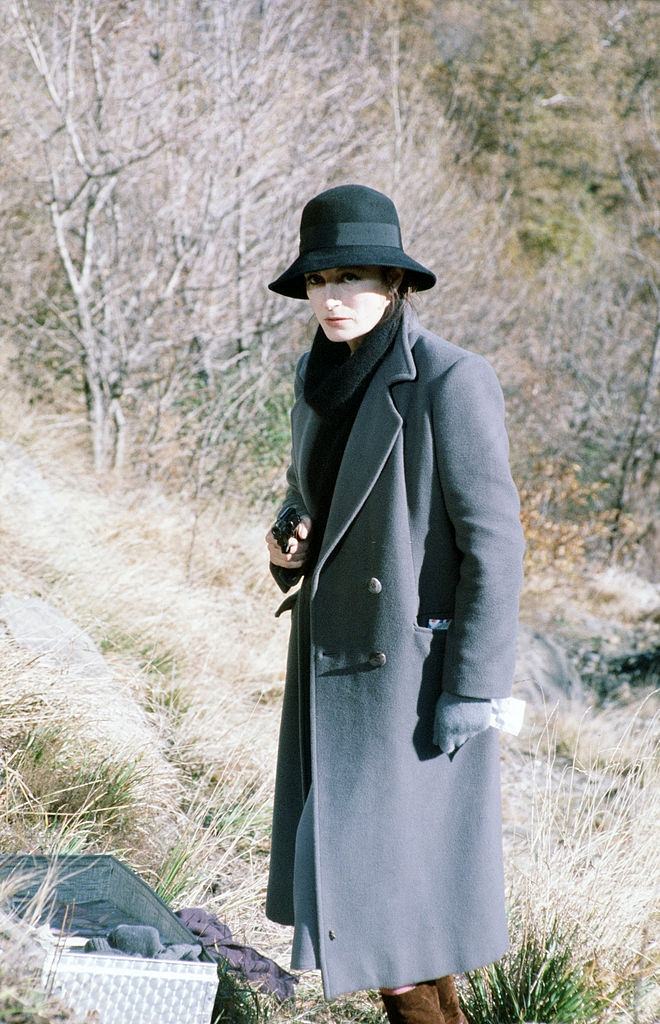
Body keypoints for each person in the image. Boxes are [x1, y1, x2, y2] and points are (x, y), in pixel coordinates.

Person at [264, 184, 524, 1024]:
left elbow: (494, 542)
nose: (332, 298)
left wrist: (473, 690)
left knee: (387, 923)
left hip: (411, 684)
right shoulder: (318, 377)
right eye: (319, 280)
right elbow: (320, 503)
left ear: (395, 284)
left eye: (353, 279)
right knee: (406, 927)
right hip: (332, 666)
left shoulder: (450, 379)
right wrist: (287, 544)